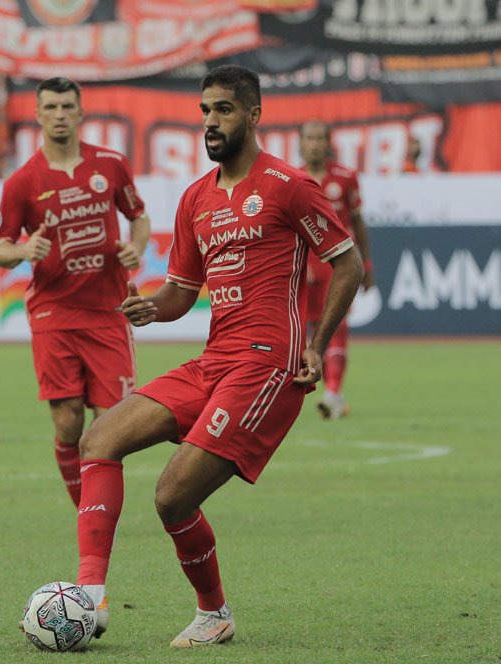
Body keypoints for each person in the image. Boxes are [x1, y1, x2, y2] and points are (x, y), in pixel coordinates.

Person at [72, 65, 363, 647]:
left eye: (224, 110)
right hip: (215, 359)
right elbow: (183, 292)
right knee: (98, 438)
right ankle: (88, 597)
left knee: (173, 494)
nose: (210, 121)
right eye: (205, 110)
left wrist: (314, 341)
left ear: (253, 115)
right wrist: (152, 307)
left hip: (266, 366)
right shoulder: (195, 199)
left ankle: (214, 613)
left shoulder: (287, 184)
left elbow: (347, 262)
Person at [0, 77, 151, 508]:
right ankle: (88, 509)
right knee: (67, 420)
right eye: (51, 107)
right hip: (54, 313)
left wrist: (135, 248)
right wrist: (24, 250)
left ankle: (96, 504)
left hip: (107, 312)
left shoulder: (112, 165)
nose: (59, 114)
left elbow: (138, 217)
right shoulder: (22, 182)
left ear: (80, 112)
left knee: (113, 426)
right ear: (39, 115)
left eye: (67, 106)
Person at [299, 121, 376, 419]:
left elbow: (358, 223)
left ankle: (333, 392)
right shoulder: (292, 177)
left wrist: (366, 265)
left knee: (336, 327)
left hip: (338, 265)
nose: (315, 144)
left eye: (320, 137)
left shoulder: (345, 177)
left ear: (328, 142)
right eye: (310, 138)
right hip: (303, 267)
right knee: (299, 329)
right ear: (301, 143)